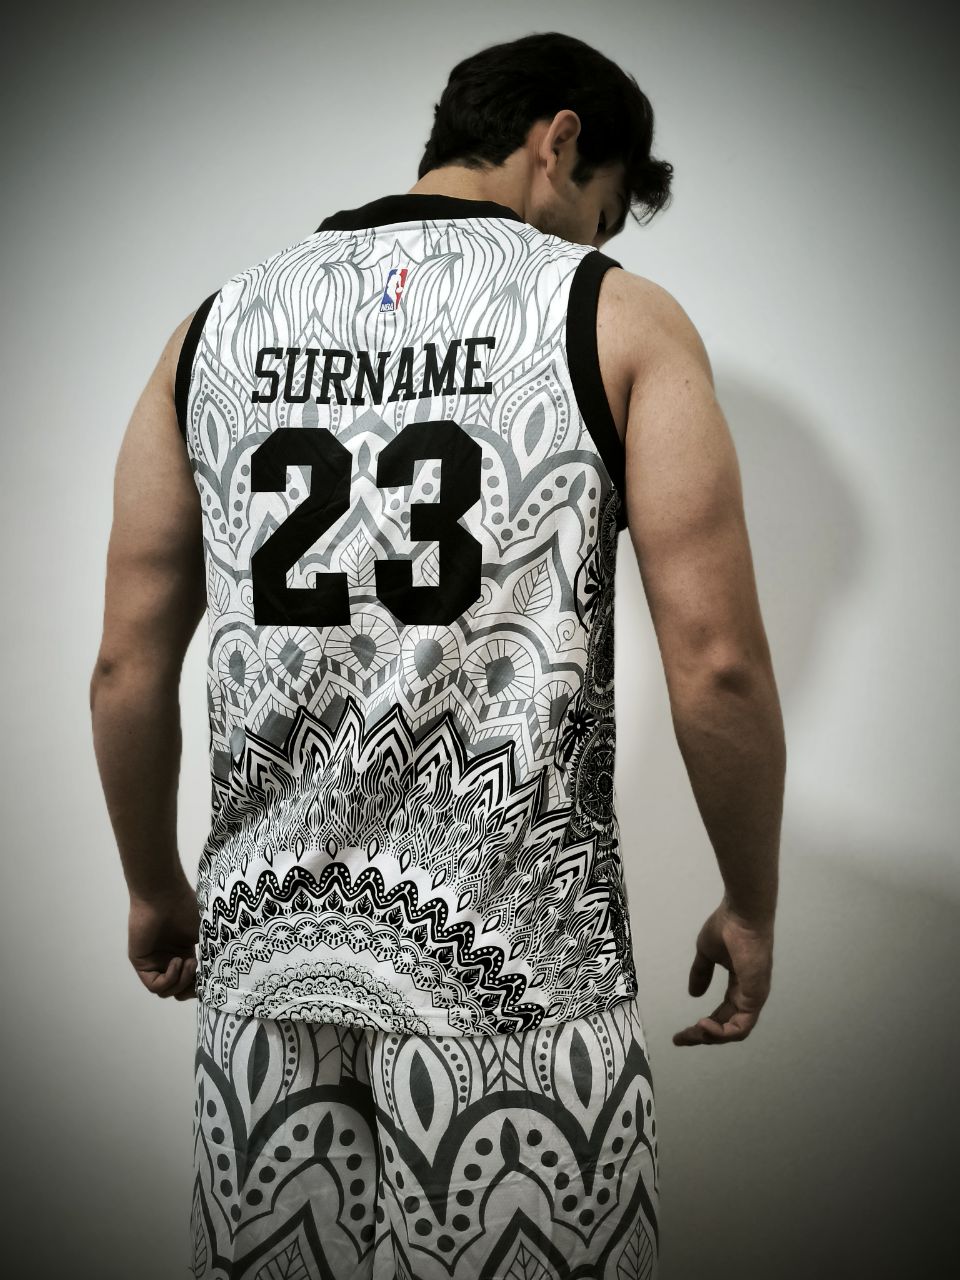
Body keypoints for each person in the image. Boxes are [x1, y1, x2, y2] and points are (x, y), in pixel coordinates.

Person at [90, 29, 785, 1280]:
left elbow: (126, 669)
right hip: (518, 974)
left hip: (269, 964)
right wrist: (750, 898)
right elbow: (718, 661)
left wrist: (153, 887)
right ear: (559, 141)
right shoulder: (613, 316)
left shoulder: (212, 329)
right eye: (601, 214)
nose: (593, 245)